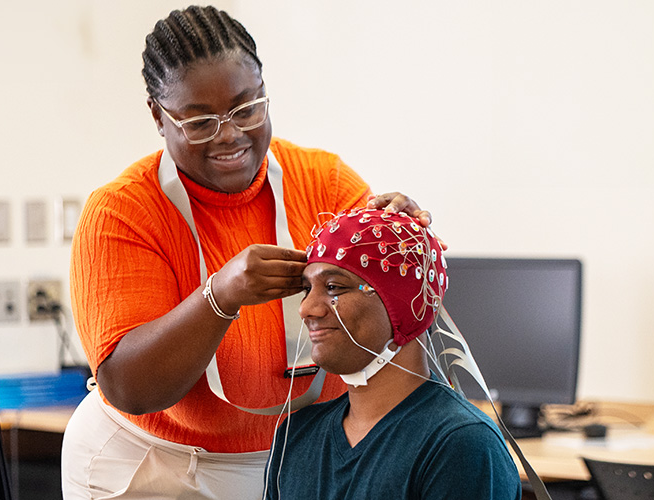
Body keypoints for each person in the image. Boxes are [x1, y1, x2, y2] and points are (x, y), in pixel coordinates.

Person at [60, 6, 434, 499]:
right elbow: (130, 389)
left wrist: (403, 245)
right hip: (151, 466)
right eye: (199, 121)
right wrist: (220, 296)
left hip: (294, 460)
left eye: (246, 109)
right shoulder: (122, 212)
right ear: (158, 116)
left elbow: (394, 318)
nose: (229, 134)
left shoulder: (325, 182)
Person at [264, 208, 522, 500]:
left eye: (333, 287)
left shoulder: (460, 443)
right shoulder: (297, 435)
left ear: (403, 304)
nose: (306, 308)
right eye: (306, 289)